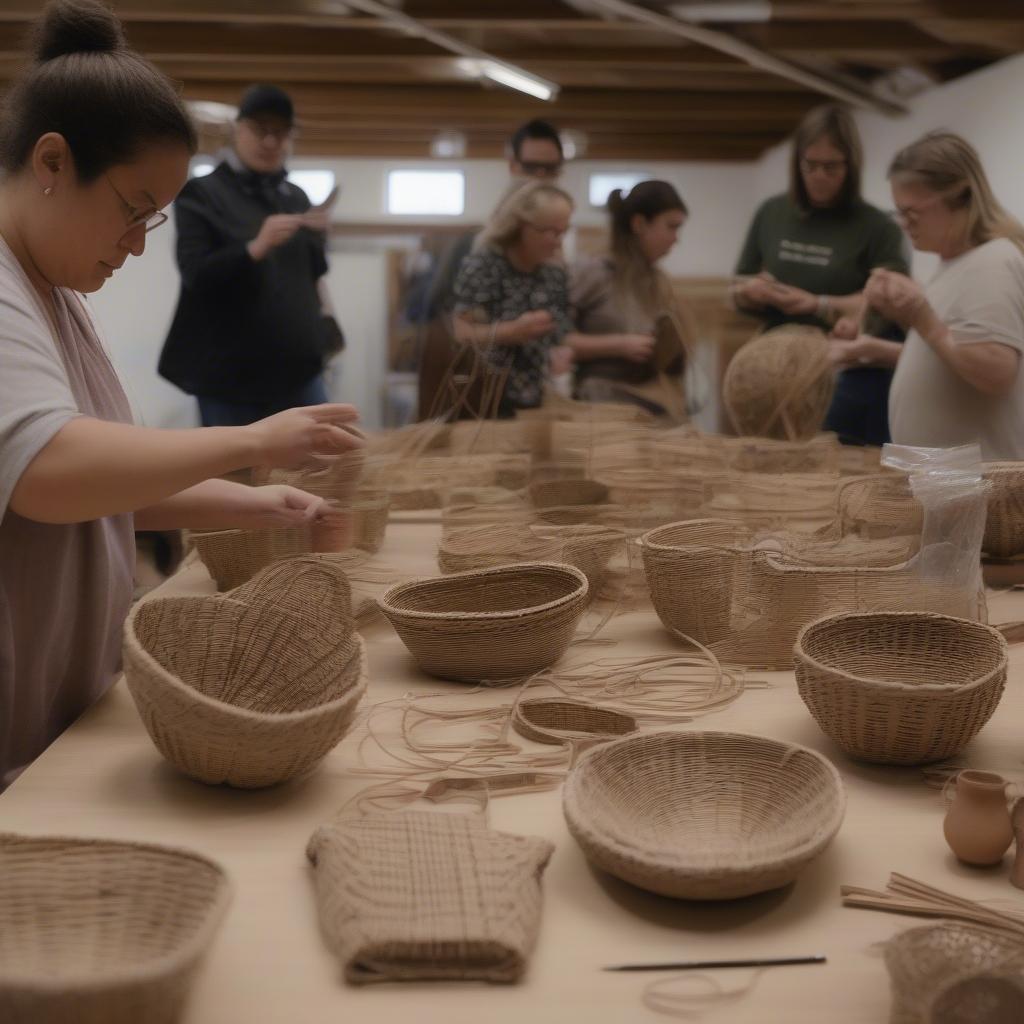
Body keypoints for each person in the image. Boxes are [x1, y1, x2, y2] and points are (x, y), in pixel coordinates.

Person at [0, 0, 363, 784]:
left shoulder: (58, 293)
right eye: (132, 211)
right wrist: (253, 441)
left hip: (58, 708)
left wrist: (257, 504)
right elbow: (45, 473)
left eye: (153, 222)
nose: (136, 245)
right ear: (52, 163)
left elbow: (107, 485)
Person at [159, 83, 337, 426]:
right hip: (229, 377)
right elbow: (195, 272)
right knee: (235, 475)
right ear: (237, 130)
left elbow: (312, 274)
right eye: (260, 130)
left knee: (319, 469)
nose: (270, 141)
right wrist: (254, 248)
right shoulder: (202, 193)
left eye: (281, 132)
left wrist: (319, 238)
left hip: (297, 368)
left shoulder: (295, 196)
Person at [733, 104, 909, 446]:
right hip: (776, 370)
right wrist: (750, 292)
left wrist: (819, 304)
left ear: (851, 165)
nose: (819, 176)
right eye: (810, 165)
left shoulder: (877, 227)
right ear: (797, 163)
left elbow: (889, 300)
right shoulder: (772, 212)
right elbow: (738, 285)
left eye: (831, 167)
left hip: (846, 375)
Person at [863, 132, 1024, 461]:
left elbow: (995, 371)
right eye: (899, 213)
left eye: (912, 213)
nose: (904, 224)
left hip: (978, 488)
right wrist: (878, 342)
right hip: (953, 485)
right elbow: (949, 357)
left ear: (961, 197)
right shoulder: (955, 264)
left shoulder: (992, 261)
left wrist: (922, 318)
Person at [568, 180, 694, 417]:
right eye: (671, 226)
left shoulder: (658, 281)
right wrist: (619, 345)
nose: (676, 238)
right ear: (639, 224)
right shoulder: (593, 273)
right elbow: (556, 339)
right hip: (600, 405)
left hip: (652, 400)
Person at [452, 179, 575, 416]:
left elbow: (561, 334)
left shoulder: (554, 273)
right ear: (520, 226)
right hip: (486, 399)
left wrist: (562, 352)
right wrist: (511, 331)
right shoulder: (484, 265)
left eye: (563, 232)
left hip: (540, 396)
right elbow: (461, 333)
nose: (558, 240)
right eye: (548, 231)